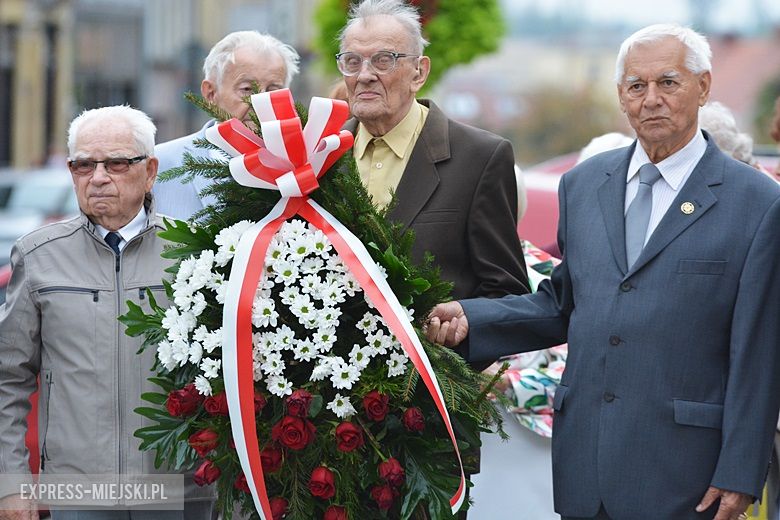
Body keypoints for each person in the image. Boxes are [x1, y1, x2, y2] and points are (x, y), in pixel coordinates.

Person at [427, 23, 780, 520]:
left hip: (688, 474)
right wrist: (472, 318)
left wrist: (741, 471)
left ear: (703, 86)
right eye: (637, 86)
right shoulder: (584, 183)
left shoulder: (757, 202)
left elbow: (759, 354)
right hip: (584, 465)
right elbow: (562, 304)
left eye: (669, 82)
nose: (651, 98)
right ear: (621, 95)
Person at [0, 106, 214, 519]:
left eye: (116, 163)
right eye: (83, 165)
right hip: (79, 493)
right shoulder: (38, 255)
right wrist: (12, 484)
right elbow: (8, 378)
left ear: (150, 171)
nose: (98, 177)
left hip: (176, 490)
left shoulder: (194, 253)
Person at [337, 0, 529, 302]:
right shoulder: (320, 155)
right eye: (351, 61)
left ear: (419, 72)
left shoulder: (480, 158)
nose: (364, 75)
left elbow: (508, 294)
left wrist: (464, 320)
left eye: (383, 60)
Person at [153, 31, 300, 220]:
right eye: (247, 89)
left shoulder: (303, 169)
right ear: (210, 93)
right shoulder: (159, 165)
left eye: (273, 91)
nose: (261, 102)